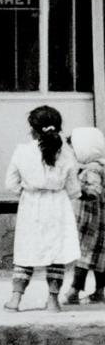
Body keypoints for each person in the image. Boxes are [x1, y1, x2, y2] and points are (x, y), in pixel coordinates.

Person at [4, 105, 80, 313]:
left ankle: (15, 299)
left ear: (33, 129)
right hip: (58, 205)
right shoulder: (66, 154)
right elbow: (74, 189)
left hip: (31, 204)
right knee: (57, 253)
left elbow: (10, 184)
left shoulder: (22, 151)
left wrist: (27, 191)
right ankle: (53, 301)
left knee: (26, 250)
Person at [66, 126, 105, 305]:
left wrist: (77, 188)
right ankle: (99, 291)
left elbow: (94, 191)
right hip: (100, 221)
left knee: (84, 256)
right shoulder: (100, 165)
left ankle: (74, 290)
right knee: (99, 256)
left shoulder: (91, 170)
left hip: (89, 221)